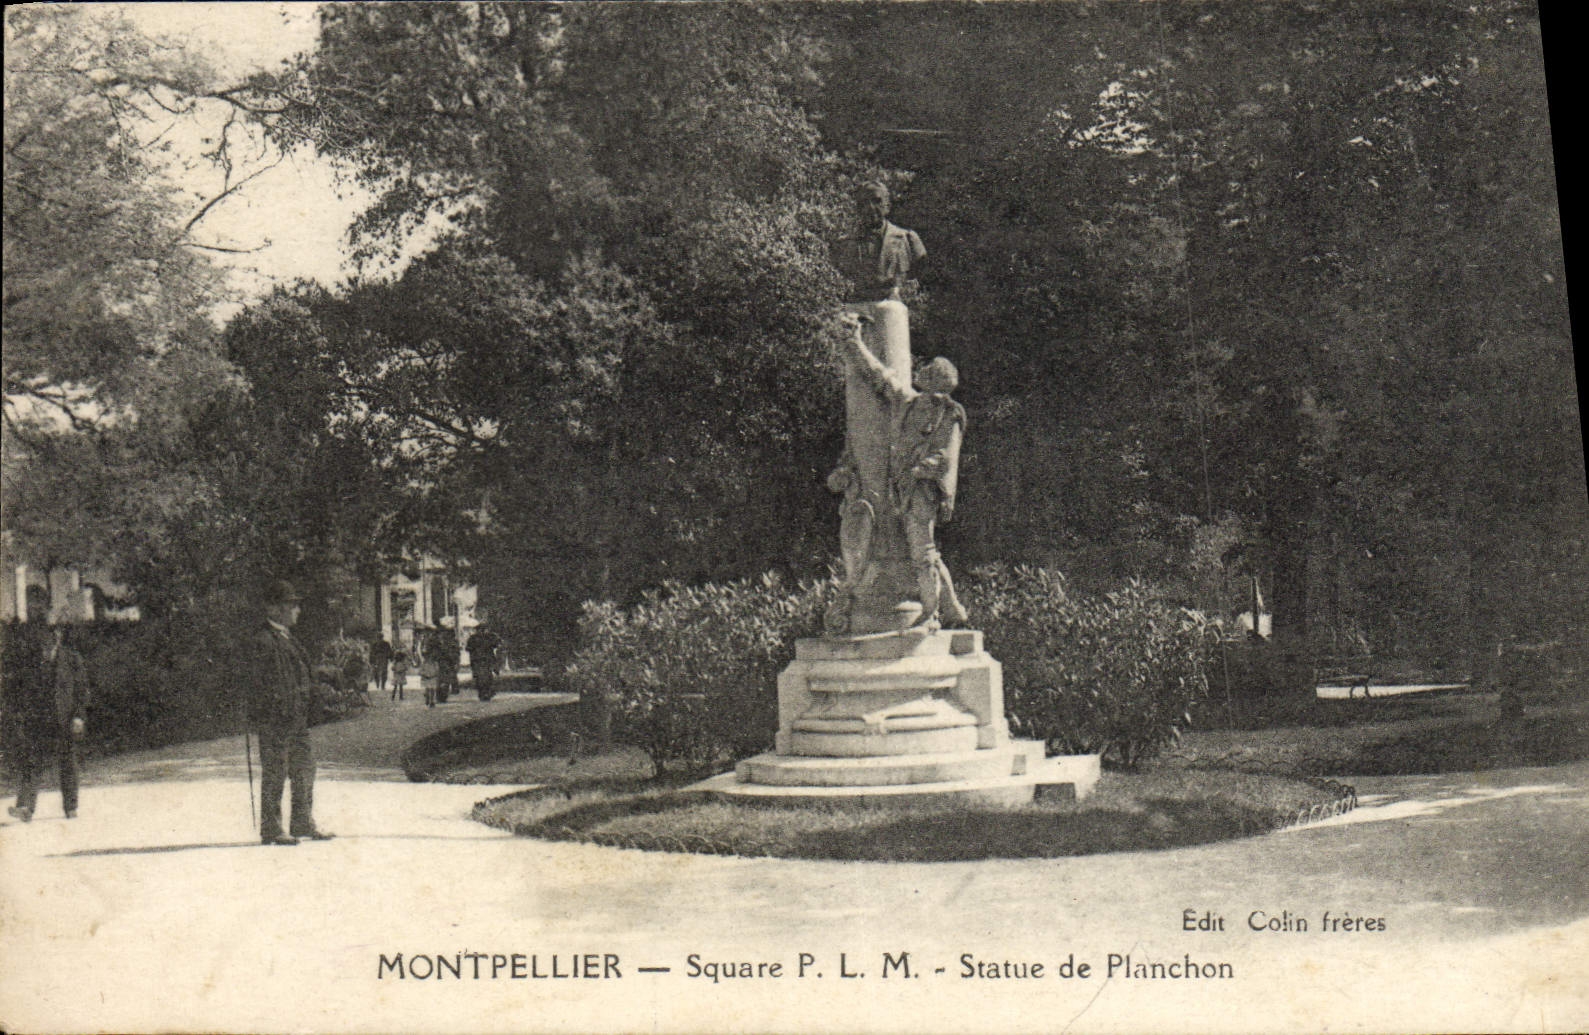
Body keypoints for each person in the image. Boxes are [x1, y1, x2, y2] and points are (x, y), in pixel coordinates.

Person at [841, 316, 969, 629]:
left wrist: (915, 471)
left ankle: (931, 613)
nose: (920, 369)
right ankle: (953, 610)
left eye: (928, 369)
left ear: (936, 382)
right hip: (899, 488)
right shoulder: (909, 402)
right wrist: (855, 342)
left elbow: (943, 460)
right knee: (926, 553)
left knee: (923, 553)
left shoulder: (948, 415)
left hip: (921, 491)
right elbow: (879, 376)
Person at [239, 579, 331, 846]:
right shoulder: (262, 641)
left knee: (304, 771)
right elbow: (253, 682)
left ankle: (302, 822)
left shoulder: (288, 638)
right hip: (276, 719)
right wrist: (258, 712)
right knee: (276, 772)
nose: (297, 610)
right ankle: (272, 828)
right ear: (275, 608)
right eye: (291, 605)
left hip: (297, 719)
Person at [4, 588, 90, 822]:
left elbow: (82, 692)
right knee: (33, 762)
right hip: (40, 720)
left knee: (68, 764)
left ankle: (71, 807)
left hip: (66, 720)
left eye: (53, 635)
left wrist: (79, 717)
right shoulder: (34, 663)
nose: (49, 640)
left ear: (59, 637)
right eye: (45, 637)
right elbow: (25, 692)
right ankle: (25, 808)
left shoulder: (72, 659)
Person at [836, 181, 927, 304]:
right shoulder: (844, 245)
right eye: (864, 203)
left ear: (888, 206)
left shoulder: (908, 239)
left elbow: (921, 281)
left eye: (877, 201)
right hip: (859, 312)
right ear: (858, 209)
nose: (870, 207)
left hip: (896, 313)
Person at [466, 626, 502, 701]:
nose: (481, 631)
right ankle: (484, 693)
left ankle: (485, 693)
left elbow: (468, 648)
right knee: (481, 677)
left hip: (482, 660)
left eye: (482, 630)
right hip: (480, 660)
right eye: (479, 630)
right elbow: (468, 648)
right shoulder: (486, 637)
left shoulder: (477, 638)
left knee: (485, 677)